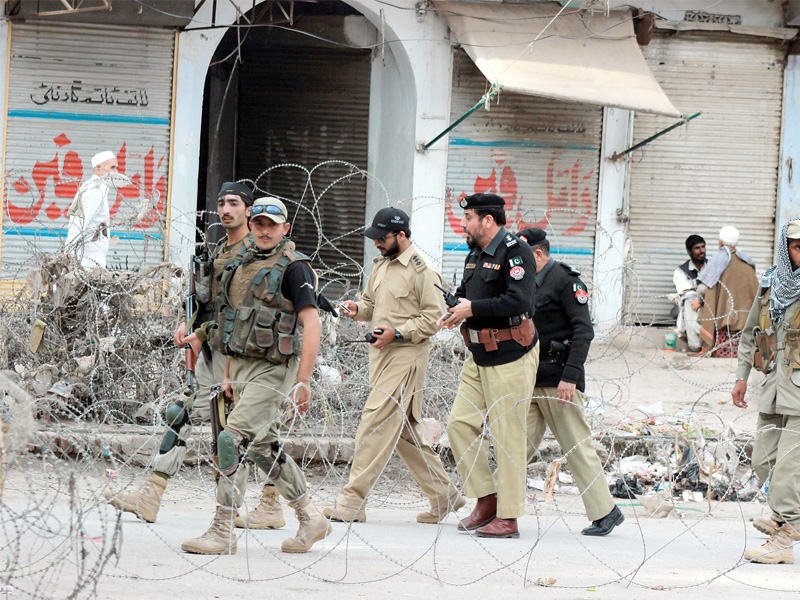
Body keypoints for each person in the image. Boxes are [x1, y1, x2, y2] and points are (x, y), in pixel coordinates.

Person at [107, 183, 286, 530]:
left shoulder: (256, 252)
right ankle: (152, 494)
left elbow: (246, 308)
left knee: (253, 430)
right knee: (184, 413)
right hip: (212, 348)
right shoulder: (219, 249)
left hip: (239, 351)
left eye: (234, 203)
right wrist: (187, 324)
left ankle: (271, 502)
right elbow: (207, 301)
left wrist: (205, 336)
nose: (225, 209)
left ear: (249, 212)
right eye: (221, 203)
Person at [181, 196, 331, 555]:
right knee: (264, 445)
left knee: (232, 439)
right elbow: (235, 323)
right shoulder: (243, 264)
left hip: (274, 368)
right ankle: (310, 516)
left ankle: (222, 529)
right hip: (242, 364)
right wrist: (229, 373)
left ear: (285, 228)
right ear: (252, 224)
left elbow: (312, 324)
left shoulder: (295, 269)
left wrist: (303, 380)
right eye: (259, 223)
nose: (265, 230)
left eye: (272, 225)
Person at [323, 208, 465, 524]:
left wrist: (397, 332)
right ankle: (445, 496)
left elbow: (432, 320)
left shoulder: (423, 271)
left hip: (406, 359)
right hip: (383, 357)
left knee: (373, 424)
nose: (376, 243)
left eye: (382, 238)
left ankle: (352, 502)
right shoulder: (382, 266)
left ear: (401, 236)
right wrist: (355, 308)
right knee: (404, 433)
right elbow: (372, 305)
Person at [438, 193, 538, 539]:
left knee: (507, 435)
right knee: (459, 424)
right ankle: (487, 498)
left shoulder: (516, 252)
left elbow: (519, 299)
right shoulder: (475, 254)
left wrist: (472, 309)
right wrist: (455, 312)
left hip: (511, 353)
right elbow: (469, 294)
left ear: (488, 221)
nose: (463, 225)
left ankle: (508, 517)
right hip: (479, 355)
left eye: (468, 219)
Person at [517, 228, 623, 537]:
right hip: (531, 377)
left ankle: (606, 512)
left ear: (538, 254)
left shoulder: (566, 281)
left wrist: (570, 377)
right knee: (516, 446)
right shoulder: (526, 282)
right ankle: (497, 507)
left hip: (559, 380)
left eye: (524, 257)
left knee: (577, 448)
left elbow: (583, 331)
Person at [732, 219, 800, 564]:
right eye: (798, 247)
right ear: (786, 250)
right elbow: (750, 333)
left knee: (789, 467)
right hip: (774, 387)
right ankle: (783, 517)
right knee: (763, 460)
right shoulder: (772, 283)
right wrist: (742, 375)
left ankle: (785, 537)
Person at [692, 226, 758, 357]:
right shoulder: (747, 262)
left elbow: (703, 288)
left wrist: (698, 300)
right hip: (745, 331)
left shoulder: (718, 261)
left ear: (720, 242)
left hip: (722, 329)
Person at [65, 150, 118, 268]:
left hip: (91, 261)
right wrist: (68, 260)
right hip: (87, 263)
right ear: (98, 168)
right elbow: (78, 226)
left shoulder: (94, 188)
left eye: (116, 168)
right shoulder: (95, 192)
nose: (116, 172)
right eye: (112, 167)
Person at [672, 235, 707, 353]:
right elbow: (688, 294)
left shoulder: (711, 267)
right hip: (693, 304)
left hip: (708, 302)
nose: (702, 251)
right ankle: (695, 345)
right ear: (689, 251)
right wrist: (700, 299)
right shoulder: (680, 272)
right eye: (697, 248)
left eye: (703, 247)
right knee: (690, 302)